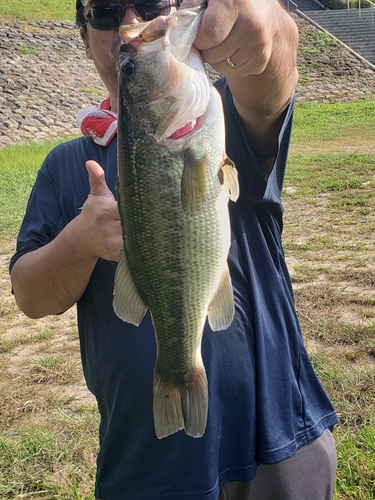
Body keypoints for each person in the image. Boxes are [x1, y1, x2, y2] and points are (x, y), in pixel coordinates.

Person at [9, 0, 339, 498]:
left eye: (148, 4)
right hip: (148, 470)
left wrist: (265, 29)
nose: (128, 24)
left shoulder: (225, 113)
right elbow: (29, 296)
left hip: (278, 445)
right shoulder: (65, 166)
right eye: (103, 12)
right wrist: (79, 243)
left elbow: (270, 81)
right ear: (83, 36)